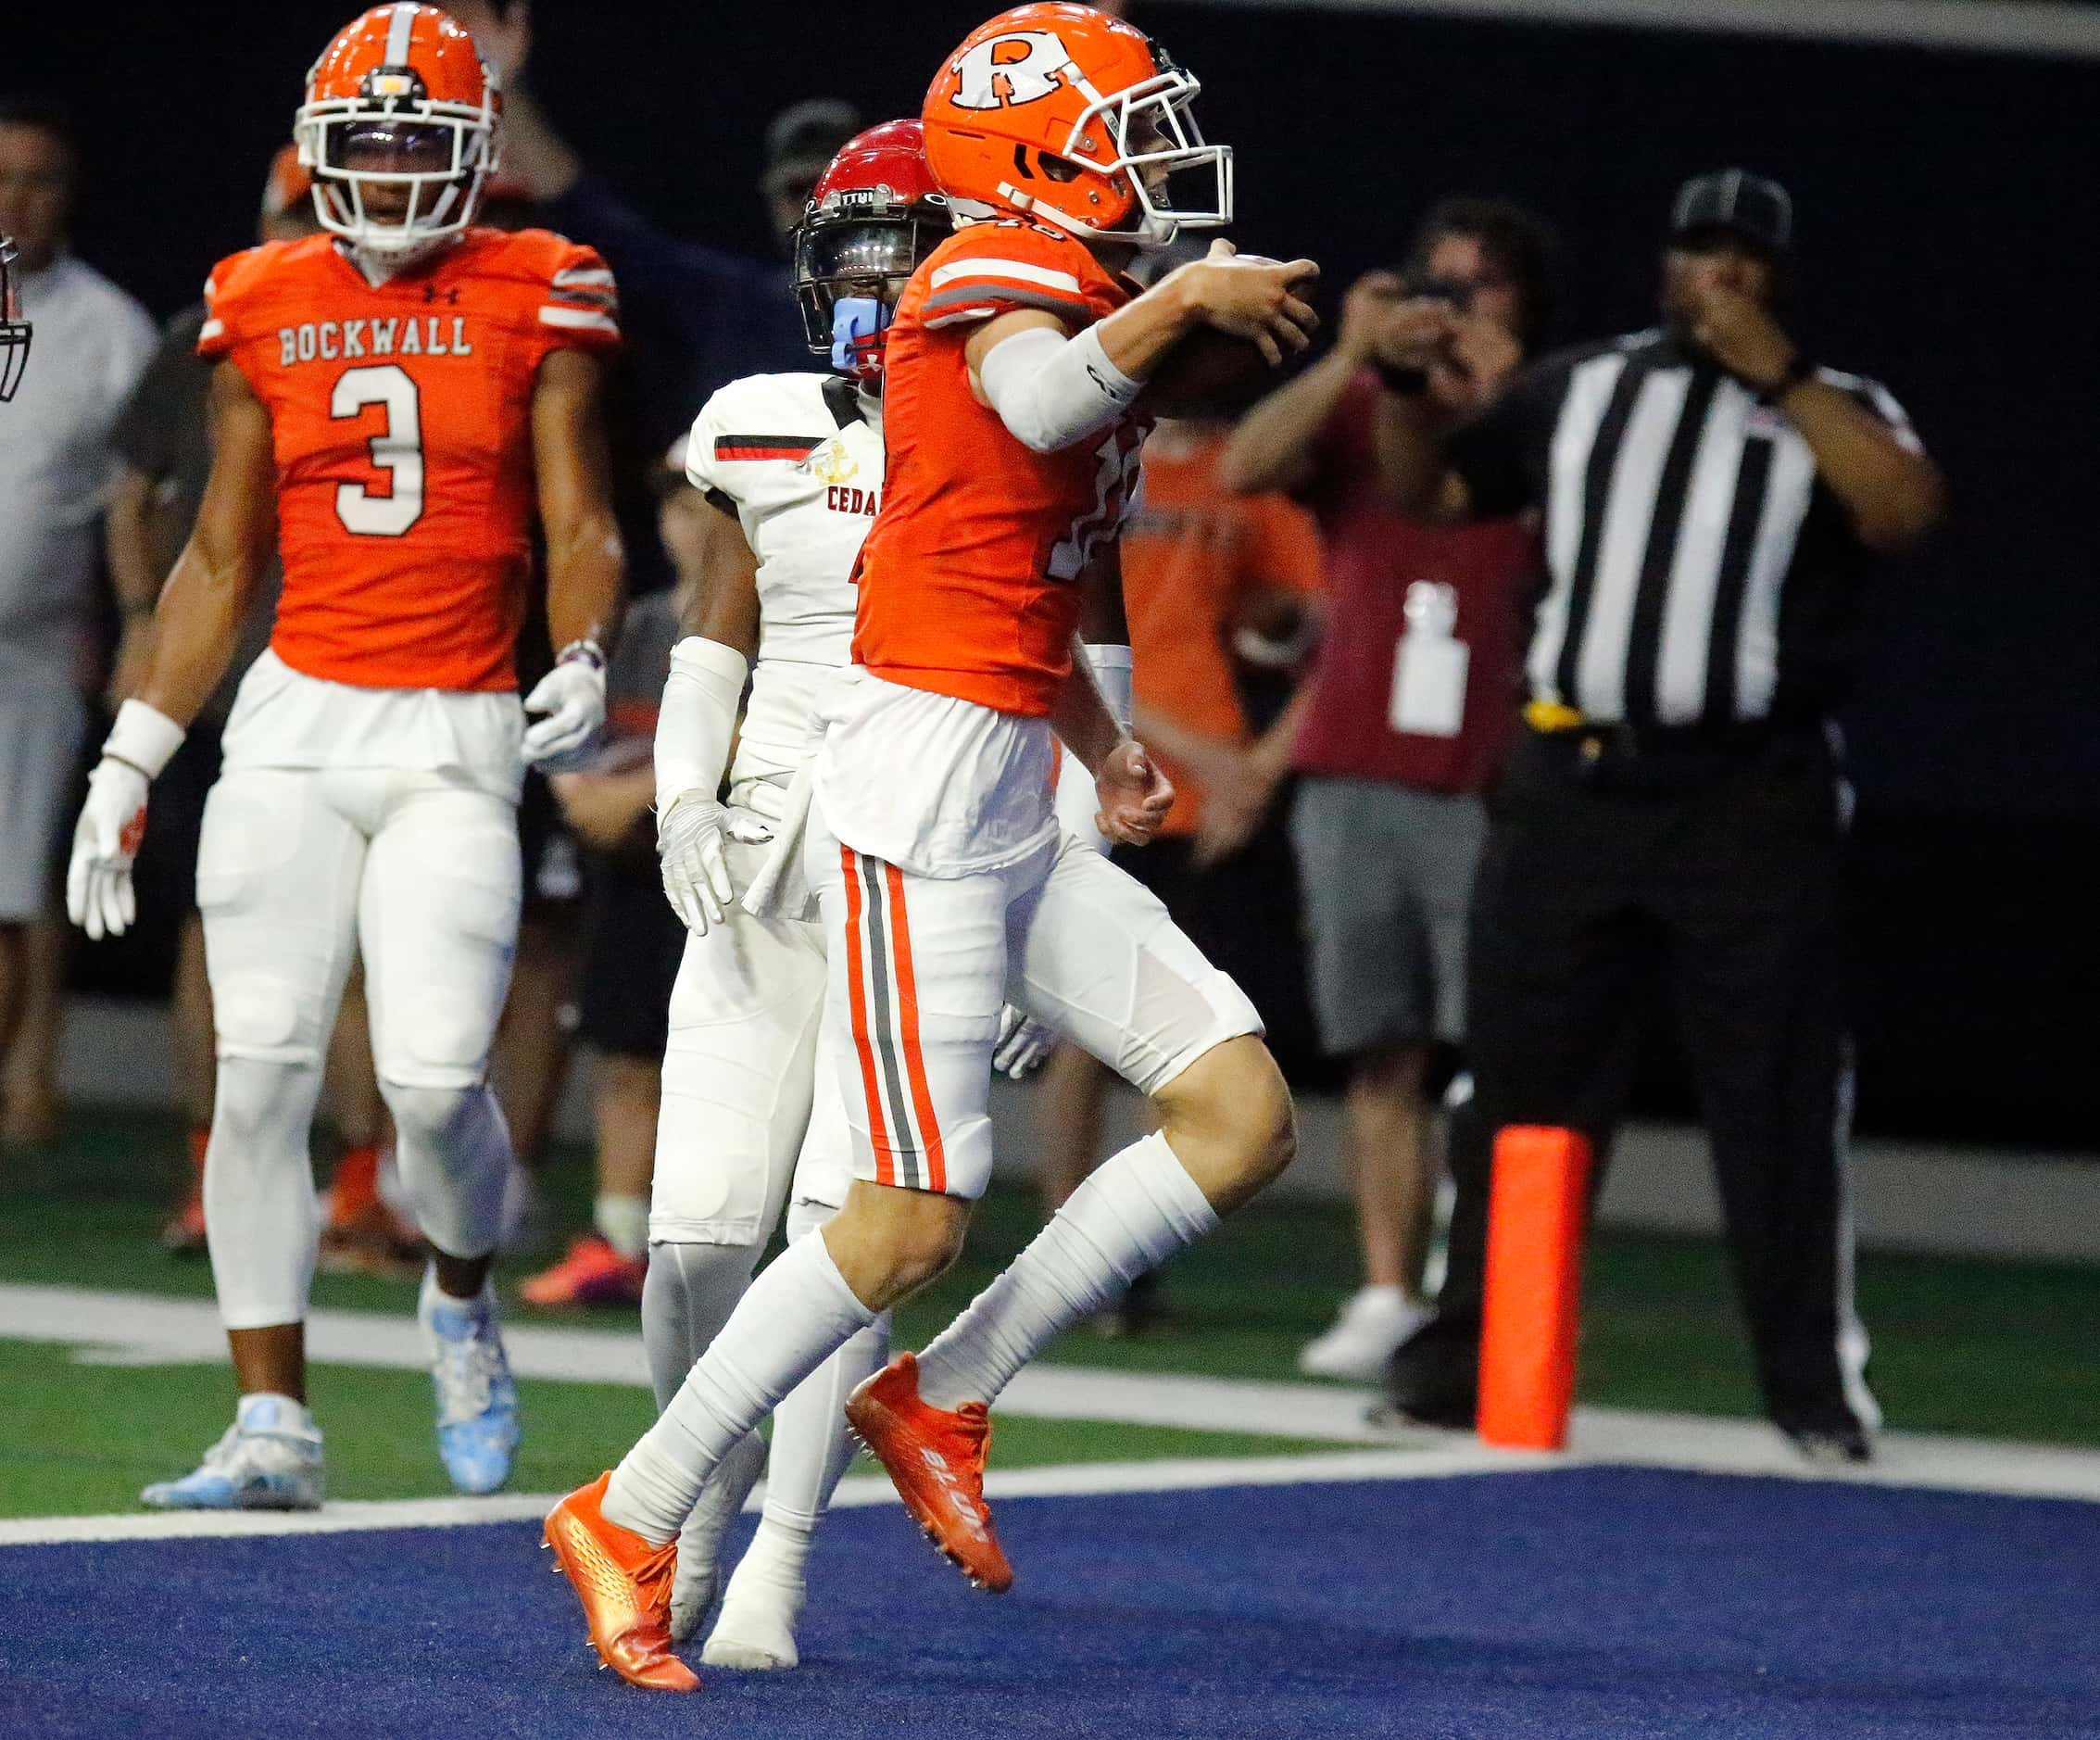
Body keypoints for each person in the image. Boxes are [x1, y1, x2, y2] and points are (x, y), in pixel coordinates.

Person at [542, 5, 1316, 1692]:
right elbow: (1039, 407)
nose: (1160, 164)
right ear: (1031, 158)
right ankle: (637, 1502)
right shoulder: (982, 285)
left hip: (1009, 777)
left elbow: (1029, 580)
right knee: (896, 1216)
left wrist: (1105, 750)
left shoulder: (1090, 302)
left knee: (1241, 1112)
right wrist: (1182, 295)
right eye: (1128, 128)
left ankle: (945, 1388)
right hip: (911, 790)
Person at [63, 4, 624, 1507]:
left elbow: (578, 521)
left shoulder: (541, 287)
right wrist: (130, 757)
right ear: (314, 153)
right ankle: (271, 1425)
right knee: (260, 1079)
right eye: (361, 141)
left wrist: (575, 652)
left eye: (413, 140)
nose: (384, 171)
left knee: (439, 1080)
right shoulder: (257, 296)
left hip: (451, 730)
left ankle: (459, 1290)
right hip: (294, 729)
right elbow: (218, 551)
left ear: (477, 154)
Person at [1377, 170, 1946, 1462]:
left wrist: (1780, 375)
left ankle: (1810, 1392)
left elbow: (1903, 511)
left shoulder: (1837, 409)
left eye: (1742, 258)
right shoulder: (1583, 388)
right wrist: (1401, 386)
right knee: (1514, 1087)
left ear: (1777, 279)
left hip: (1745, 799)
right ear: (1662, 269)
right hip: (1570, 786)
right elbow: (1433, 492)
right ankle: (1456, 1362)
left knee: (1778, 1102)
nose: (1717, 277)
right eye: (1697, 252)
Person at [1219, 198, 1554, 1381]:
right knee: (1379, 1048)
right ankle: (1382, 1286)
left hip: (1494, 781)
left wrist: (1504, 386)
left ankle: (1489, 1293)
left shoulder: (1549, 412)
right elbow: (1246, 467)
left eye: (1483, 283)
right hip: (1357, 763)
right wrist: (1352, 354)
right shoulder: (1364, 408)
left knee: (1500, 1053)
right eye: (1438, 281)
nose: (1456, 304)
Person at [107, 146, 402, 1264]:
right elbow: (134, 492)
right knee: (209, 932)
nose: (300, 232)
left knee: (364, 952)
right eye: (289, 210)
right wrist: (141, 618)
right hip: (225, 687)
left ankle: (359, 1186)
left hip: (356, 678)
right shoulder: (213, 326)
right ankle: (210, 1174)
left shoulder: (399, 324)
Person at [1033, 408, 1325, 1335]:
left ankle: (1127, 1248)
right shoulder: (1086, 461)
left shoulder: (1252, 478)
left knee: (1185, 1037)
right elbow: (1061, 641)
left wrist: (1256, 768)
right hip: (1097, 771)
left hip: (1208, 807)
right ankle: (1064, 1249)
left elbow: (1322, 630)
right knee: (1082, 1035)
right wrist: (1213, 757)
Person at [0, 99, 157, 1145]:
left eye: (39, 179)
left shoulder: (111, 329)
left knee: (17, 888)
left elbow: (130, 500)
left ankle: (26, 1076)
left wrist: (133, 625)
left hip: (34, 643)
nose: (16, 199)